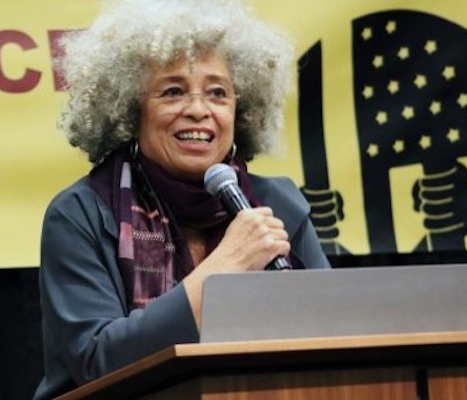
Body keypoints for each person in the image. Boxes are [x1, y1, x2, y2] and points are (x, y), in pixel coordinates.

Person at [34, 0, 331, 398]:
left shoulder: (277, 204)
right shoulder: (81, 213)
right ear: (131, 110)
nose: (197, 110)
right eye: (173, 92)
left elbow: (335, 329)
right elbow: (99, 361)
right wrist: (227, 265)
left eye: (218, 93)